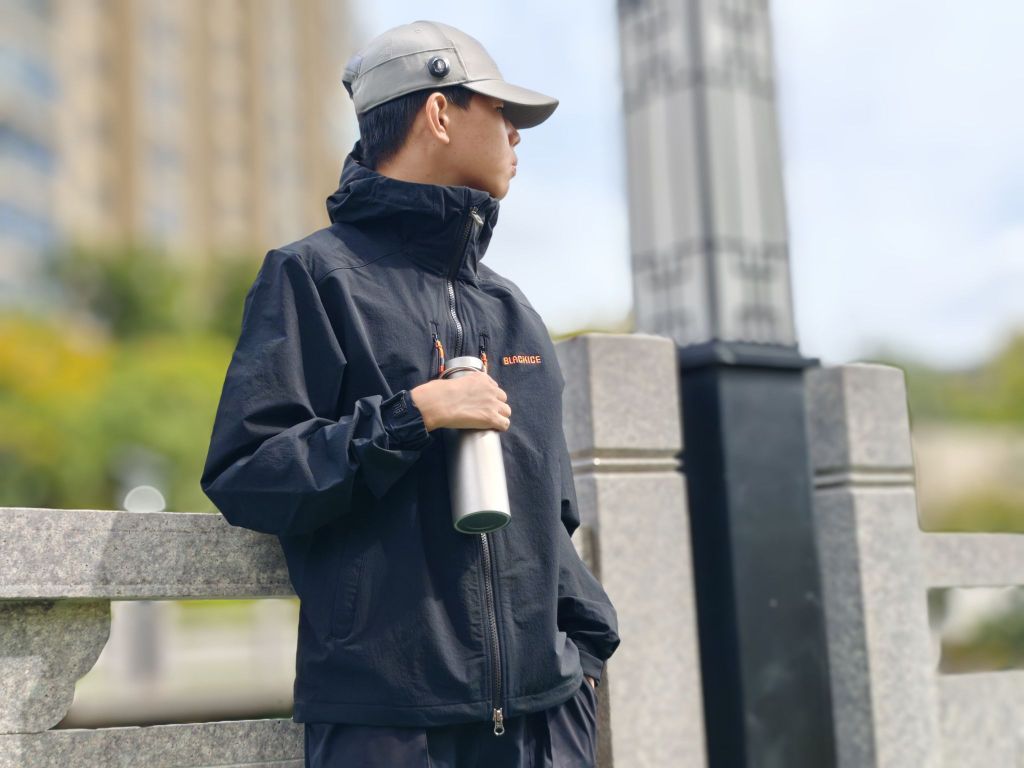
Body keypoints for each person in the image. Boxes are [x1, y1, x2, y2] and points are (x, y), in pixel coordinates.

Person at [200, 19, 620, 768]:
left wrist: (584, 651)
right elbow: (250, 474)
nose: (517, 137)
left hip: (543, 719)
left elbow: (553, 514)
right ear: (439, 113)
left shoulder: (513, 309)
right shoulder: (315, 278)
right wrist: (412, 416)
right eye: (503, 113)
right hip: (388, 724)